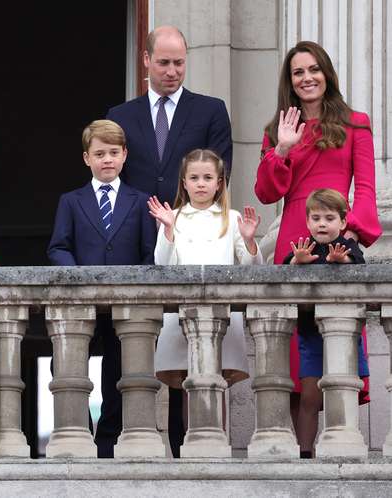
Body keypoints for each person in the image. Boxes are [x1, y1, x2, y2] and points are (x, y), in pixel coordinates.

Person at [106, 25, 233, 457]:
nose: (172, 71)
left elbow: (221, 172)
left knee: (190, 340)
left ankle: (187, 444)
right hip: (131, 238)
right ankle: (115, 443)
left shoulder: (210, 110)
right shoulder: (120, 115)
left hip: (189, 238)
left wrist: (178, 220)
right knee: (124, 337)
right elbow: (111, 178)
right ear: (145, 61)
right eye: (163, 62)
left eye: (179, 62)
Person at [254, 41, 382, 457]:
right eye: (298, 72)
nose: (307, 78)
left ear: (326, 72)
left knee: (337, 343)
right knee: (292, 357)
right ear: (289, 82)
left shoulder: (355, 123)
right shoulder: (277, 129)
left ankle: (341, 443)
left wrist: (351, 237)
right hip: (294, 240)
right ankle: (298, 450)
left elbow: (364, 188)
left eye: (313, 69)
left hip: (337, 240)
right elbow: (266, 190)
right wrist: (284, 149)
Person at [47, 119, 155, 457]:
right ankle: (80, 432)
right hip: (82, 301)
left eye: (112, 153)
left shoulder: (140, 201)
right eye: (99, 154)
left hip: (126, 304)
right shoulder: (71, 200)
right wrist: (78, 277)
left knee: (118, 369)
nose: (106, 160)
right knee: (67, 366)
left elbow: (148, 253)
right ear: (86, 158)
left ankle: (107, 440)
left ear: (124, 155)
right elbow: (58, 246)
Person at [148, 149, 259, 445]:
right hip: (183, 313)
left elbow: (251, 269)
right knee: (189, 384)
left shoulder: (231, 218)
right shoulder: (175, 216)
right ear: (183, 182)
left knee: (217, 381)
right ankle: (194, 444)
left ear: (220, 182)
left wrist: (249, 241)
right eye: (194, 178)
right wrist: (168, 229)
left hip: (221, 313)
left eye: (208, 178)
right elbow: (163, 265)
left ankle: (218, 442)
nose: (201, 184)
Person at [283, 189, 368, 457]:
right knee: (309, 396)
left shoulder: (348, 246)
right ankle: (305, 452)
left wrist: (342, 260)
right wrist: (297, 262)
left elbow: (360, 265)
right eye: (316, 218)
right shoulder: (303, 246)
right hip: (310, 334)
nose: (322, 224)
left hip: (345, 335)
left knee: (342, 391)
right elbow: (285, 270)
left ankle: (341, 444)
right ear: (308, 222)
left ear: (343, 222)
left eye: (329, 218)